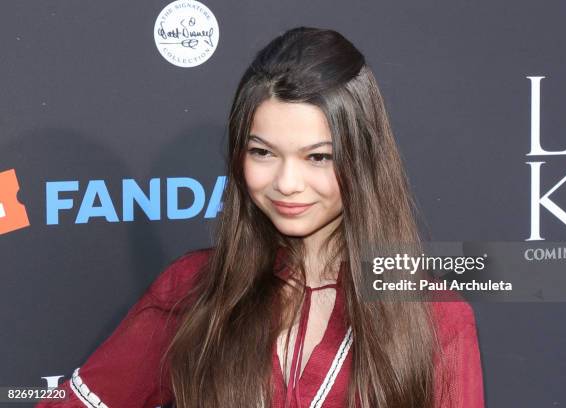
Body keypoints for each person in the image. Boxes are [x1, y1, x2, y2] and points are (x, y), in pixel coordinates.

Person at [37, 27, 484, 408]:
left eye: (318, 157)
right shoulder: (194, 288)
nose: (287, 182)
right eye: (263, 152)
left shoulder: (433, 315)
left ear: (363, 159)